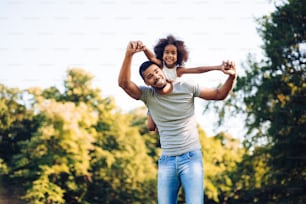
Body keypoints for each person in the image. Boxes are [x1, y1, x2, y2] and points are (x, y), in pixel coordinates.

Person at [118, 40, 237, 204]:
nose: (155, 77)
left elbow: (219, 94)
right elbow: (124, 83)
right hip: (167, 161)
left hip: (191, 158)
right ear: (146, 83)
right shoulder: (147, 96)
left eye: (156, 72)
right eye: (149, 77)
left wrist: (232, 76)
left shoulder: (186, 87)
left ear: (163, 71)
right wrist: (129, 55)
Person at [143, 35, 228, 131]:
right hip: (157, 98)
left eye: (173, 53)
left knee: (165, 122)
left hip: (170, 99)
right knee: (150, 127)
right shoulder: (160, 65)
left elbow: (197, 70)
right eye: (166, 52)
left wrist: (217, 67)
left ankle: (164, 124)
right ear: (161, 54)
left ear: (178, 56)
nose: (170, 56)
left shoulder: (178, 70)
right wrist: (144, 48)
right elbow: (151, 58)